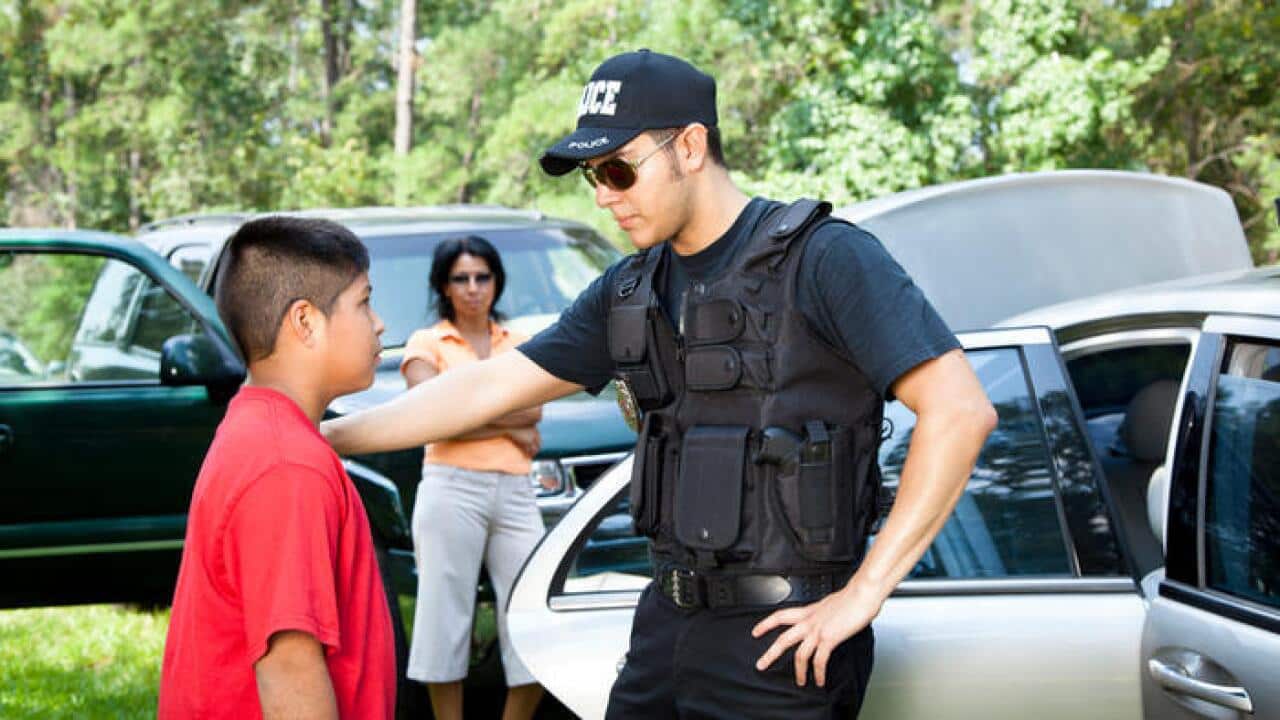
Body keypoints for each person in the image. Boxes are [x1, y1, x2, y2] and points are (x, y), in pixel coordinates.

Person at [323, 50, 997, 719]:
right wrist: (323, 437)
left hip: (782, 645)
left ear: (692, 147)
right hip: (664, 629)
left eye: (619, 169)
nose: (603, 195)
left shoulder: (825, 258)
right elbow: (484, 389)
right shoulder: (630, 288)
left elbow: (960, 411)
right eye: (592, 175)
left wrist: (864, 594)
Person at [159, 217, 395, 720]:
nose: (379, 324)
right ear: (305, 322)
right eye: (364, 302)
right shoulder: (287, 467)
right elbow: (290, 670)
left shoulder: (265, 433)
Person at [400, 235, 546, 720]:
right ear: (444, 285)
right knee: (443, 618)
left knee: (531, 611)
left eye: (482, 277)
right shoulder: (427, 343)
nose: (472, 288)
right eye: (460, 278)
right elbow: (431, 413)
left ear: (496, 282)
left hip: (516, 490)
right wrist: (509, 423)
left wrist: (463, 411)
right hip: (451, 487)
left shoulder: (518, 344)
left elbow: (533, 409)